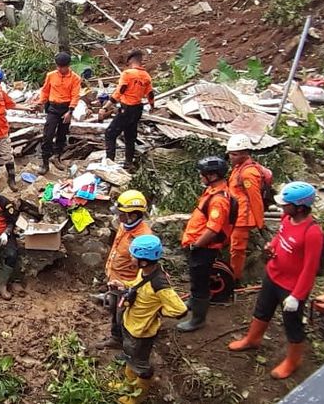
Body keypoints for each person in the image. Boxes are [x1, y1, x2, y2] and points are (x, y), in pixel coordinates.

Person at [227, 181, 322, 380]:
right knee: (262, 309)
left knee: (292, 324)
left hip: (291, 286)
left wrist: (296, 296)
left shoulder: (312, 233)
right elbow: (281, 236)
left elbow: (310, 268)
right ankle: (253, 339)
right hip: (273, 274)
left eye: (286, 204)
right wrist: (272, 246)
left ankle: (293, 360)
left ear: (300, 207)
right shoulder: (287, 218)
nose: (282, 207)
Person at [109, 235, 187, 404]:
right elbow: (138, 286)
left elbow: (180, 309)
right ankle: (128, 386)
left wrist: (157, 312)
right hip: (131, 324)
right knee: (130, 357)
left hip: (142, 332)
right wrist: (124, 286)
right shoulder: (144, 271)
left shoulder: (160, 284)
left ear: (143, 261)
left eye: (133, 256)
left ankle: (139, 395)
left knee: (140, 364)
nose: (130, 258)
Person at [177, 156, 233, 332]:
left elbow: (213, 229)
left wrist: (197, 245)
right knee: (195, 278)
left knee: (201, 282)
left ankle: (198, 319)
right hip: (198, 245)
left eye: (203, 174)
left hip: (204, 248)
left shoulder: (219, 200)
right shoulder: (212, 191)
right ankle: (193, 301)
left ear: (213, 175)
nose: (200, 176)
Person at [95, 190, 153, 350]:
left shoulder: (143, 238)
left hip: (127, 285)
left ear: (132, 215)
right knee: (115, 311)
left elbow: (147, 269)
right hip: (115, 280)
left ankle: (129, 347)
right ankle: (116, 337)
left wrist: (131, 287)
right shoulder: (124, 225)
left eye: (121, 213)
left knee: (125, 316)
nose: (117, 216)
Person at [100, 50, 155, 170]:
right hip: (137, 110)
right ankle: (128, 162)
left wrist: (105, 107)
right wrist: (152, 107)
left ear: (130, 61)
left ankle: (110, 163)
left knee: (110, 133)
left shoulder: (128, 74)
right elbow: (150, 94)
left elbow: (120, 91)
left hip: (126, 108)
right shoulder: (146, 76)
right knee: (130, 136)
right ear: (140, 61)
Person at [32, 52, 82, 174]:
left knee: (62, 134)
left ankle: (57, 156)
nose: (60, 69)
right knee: (48, 135)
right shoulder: (51, 75)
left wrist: (70, 111)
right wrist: (40, 102)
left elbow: (75, 95)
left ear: (68, 65)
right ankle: (45, 162)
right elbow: (45, 91)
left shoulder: (75, 78)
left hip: (66, 108)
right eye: (58, 66)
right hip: (53, 108)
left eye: (62, 67)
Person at [226, 134, 266, 282]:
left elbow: (255, 199)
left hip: (243, 217)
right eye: (230, 153)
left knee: (237, 250)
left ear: (244, 153)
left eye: (234, 154)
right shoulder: (238, 168)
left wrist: (260, 223)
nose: (231, 157)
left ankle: (234, 279)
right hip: (235, 214)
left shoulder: (248, 173)